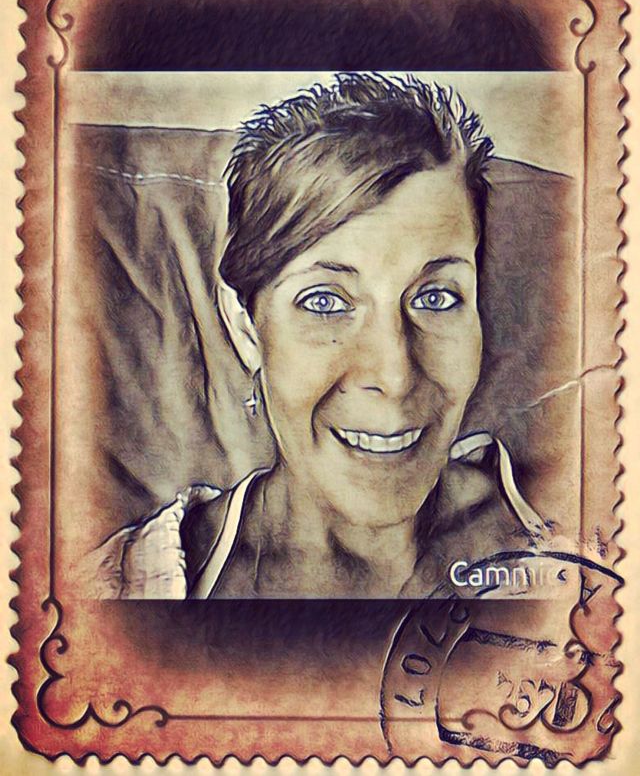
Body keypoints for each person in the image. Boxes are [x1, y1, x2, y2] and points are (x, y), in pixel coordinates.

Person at [85, 72, 548, 600]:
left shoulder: (583, 556)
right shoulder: (126, 589)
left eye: (436, 297)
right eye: (325, 302)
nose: (395, 376)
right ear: (247, 329)